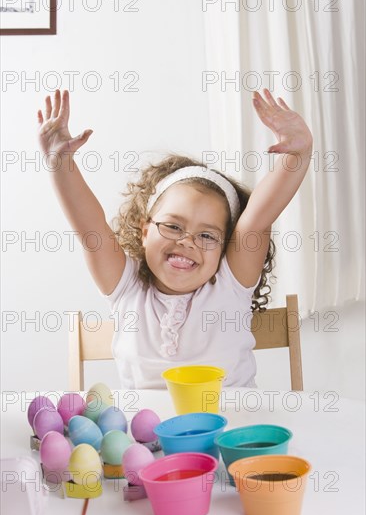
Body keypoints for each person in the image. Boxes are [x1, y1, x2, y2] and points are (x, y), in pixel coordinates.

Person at [37, 89, 313, 388]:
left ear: (227, 247)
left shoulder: (230, 288)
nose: (187, 241)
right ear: (145, 231)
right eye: (173, 226)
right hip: (148, 434)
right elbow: (90, 228)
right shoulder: (126, 289)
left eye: (207, 235)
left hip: (232, 429)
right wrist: (59, 162)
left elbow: (256, 221)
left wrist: (299, 154)